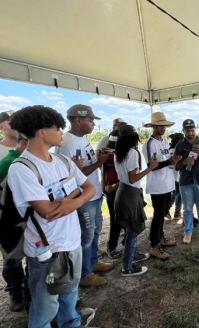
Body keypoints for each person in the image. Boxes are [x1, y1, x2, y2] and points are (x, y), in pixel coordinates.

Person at [8, 105, 96, 328]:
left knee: (69, 293)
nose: (60, 132)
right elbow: (47, 211)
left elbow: (90, 189)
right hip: (46, 250)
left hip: (72, 241)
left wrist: (72, 201)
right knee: (45, 304)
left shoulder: (62, 162)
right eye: (57, 128)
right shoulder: (22, 168)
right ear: (41, 132)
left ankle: (71, 323)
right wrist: (75, 194)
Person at [56, 104, 113, 287]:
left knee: (95, 231)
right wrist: (100, 163)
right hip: (83, 197)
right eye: (91, 120)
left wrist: (99, 158)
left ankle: (93, 262)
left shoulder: (83, 139)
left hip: (93, 194)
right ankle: (84, 274)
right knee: (86, 236)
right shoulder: (68, 143)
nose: (93, 124)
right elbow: (72, 177)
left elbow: (84, 167)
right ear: (78, 120)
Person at [114, 124, 158, 276]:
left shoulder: (118, 152)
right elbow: (133, 178)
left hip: (122, 191)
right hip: (130, 193)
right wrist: (150, 168)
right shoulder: (132, 153)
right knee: (132, 229)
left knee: (130, 228)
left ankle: (133, 255)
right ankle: (127, 267)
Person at [142, 112, 181, 260]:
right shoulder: (149, 144)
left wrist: (174, 160)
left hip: (168, 183)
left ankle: (161, 237)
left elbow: (165, 160)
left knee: (163, 212)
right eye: (160, 126)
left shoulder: (164, 141)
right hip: (157, 185)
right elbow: (151, 166)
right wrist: (169, 162)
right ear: (153, 126)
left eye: (164, 125)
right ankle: (154, 245)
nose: (163, 128)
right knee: (158, 215)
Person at [0, 132, 30, 312]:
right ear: (25, 143)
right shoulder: (8, 164)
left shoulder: (25, 161)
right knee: (12, 259)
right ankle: (16, 294)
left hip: (25, 220)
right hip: (9, 223)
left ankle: (27, 293)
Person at [174, 119, 199, 244]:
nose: (190, 133)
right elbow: (176, 166)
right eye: (187, 131)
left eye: (192, 130)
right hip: (185, 181)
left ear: (195, 130)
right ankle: (188, 233)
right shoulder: (179, 146)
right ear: (184, 131)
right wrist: (185, 162)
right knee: (187, 209)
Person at [100, 129, 124, 259]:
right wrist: (104, 184)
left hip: (123, 187)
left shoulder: (128, 151)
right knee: (115, 218)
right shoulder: (107, 153)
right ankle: (111, 246)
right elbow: (103, 168)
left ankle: (128, 241)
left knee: (128, 216)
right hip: (111, 188)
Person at [166, 133, 185, 221]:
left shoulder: (169, 150)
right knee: (178, 195)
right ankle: (173, 212)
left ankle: (172, 211)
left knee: (174, 194)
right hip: (176, 176)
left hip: (170, 176)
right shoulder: (177, 151)